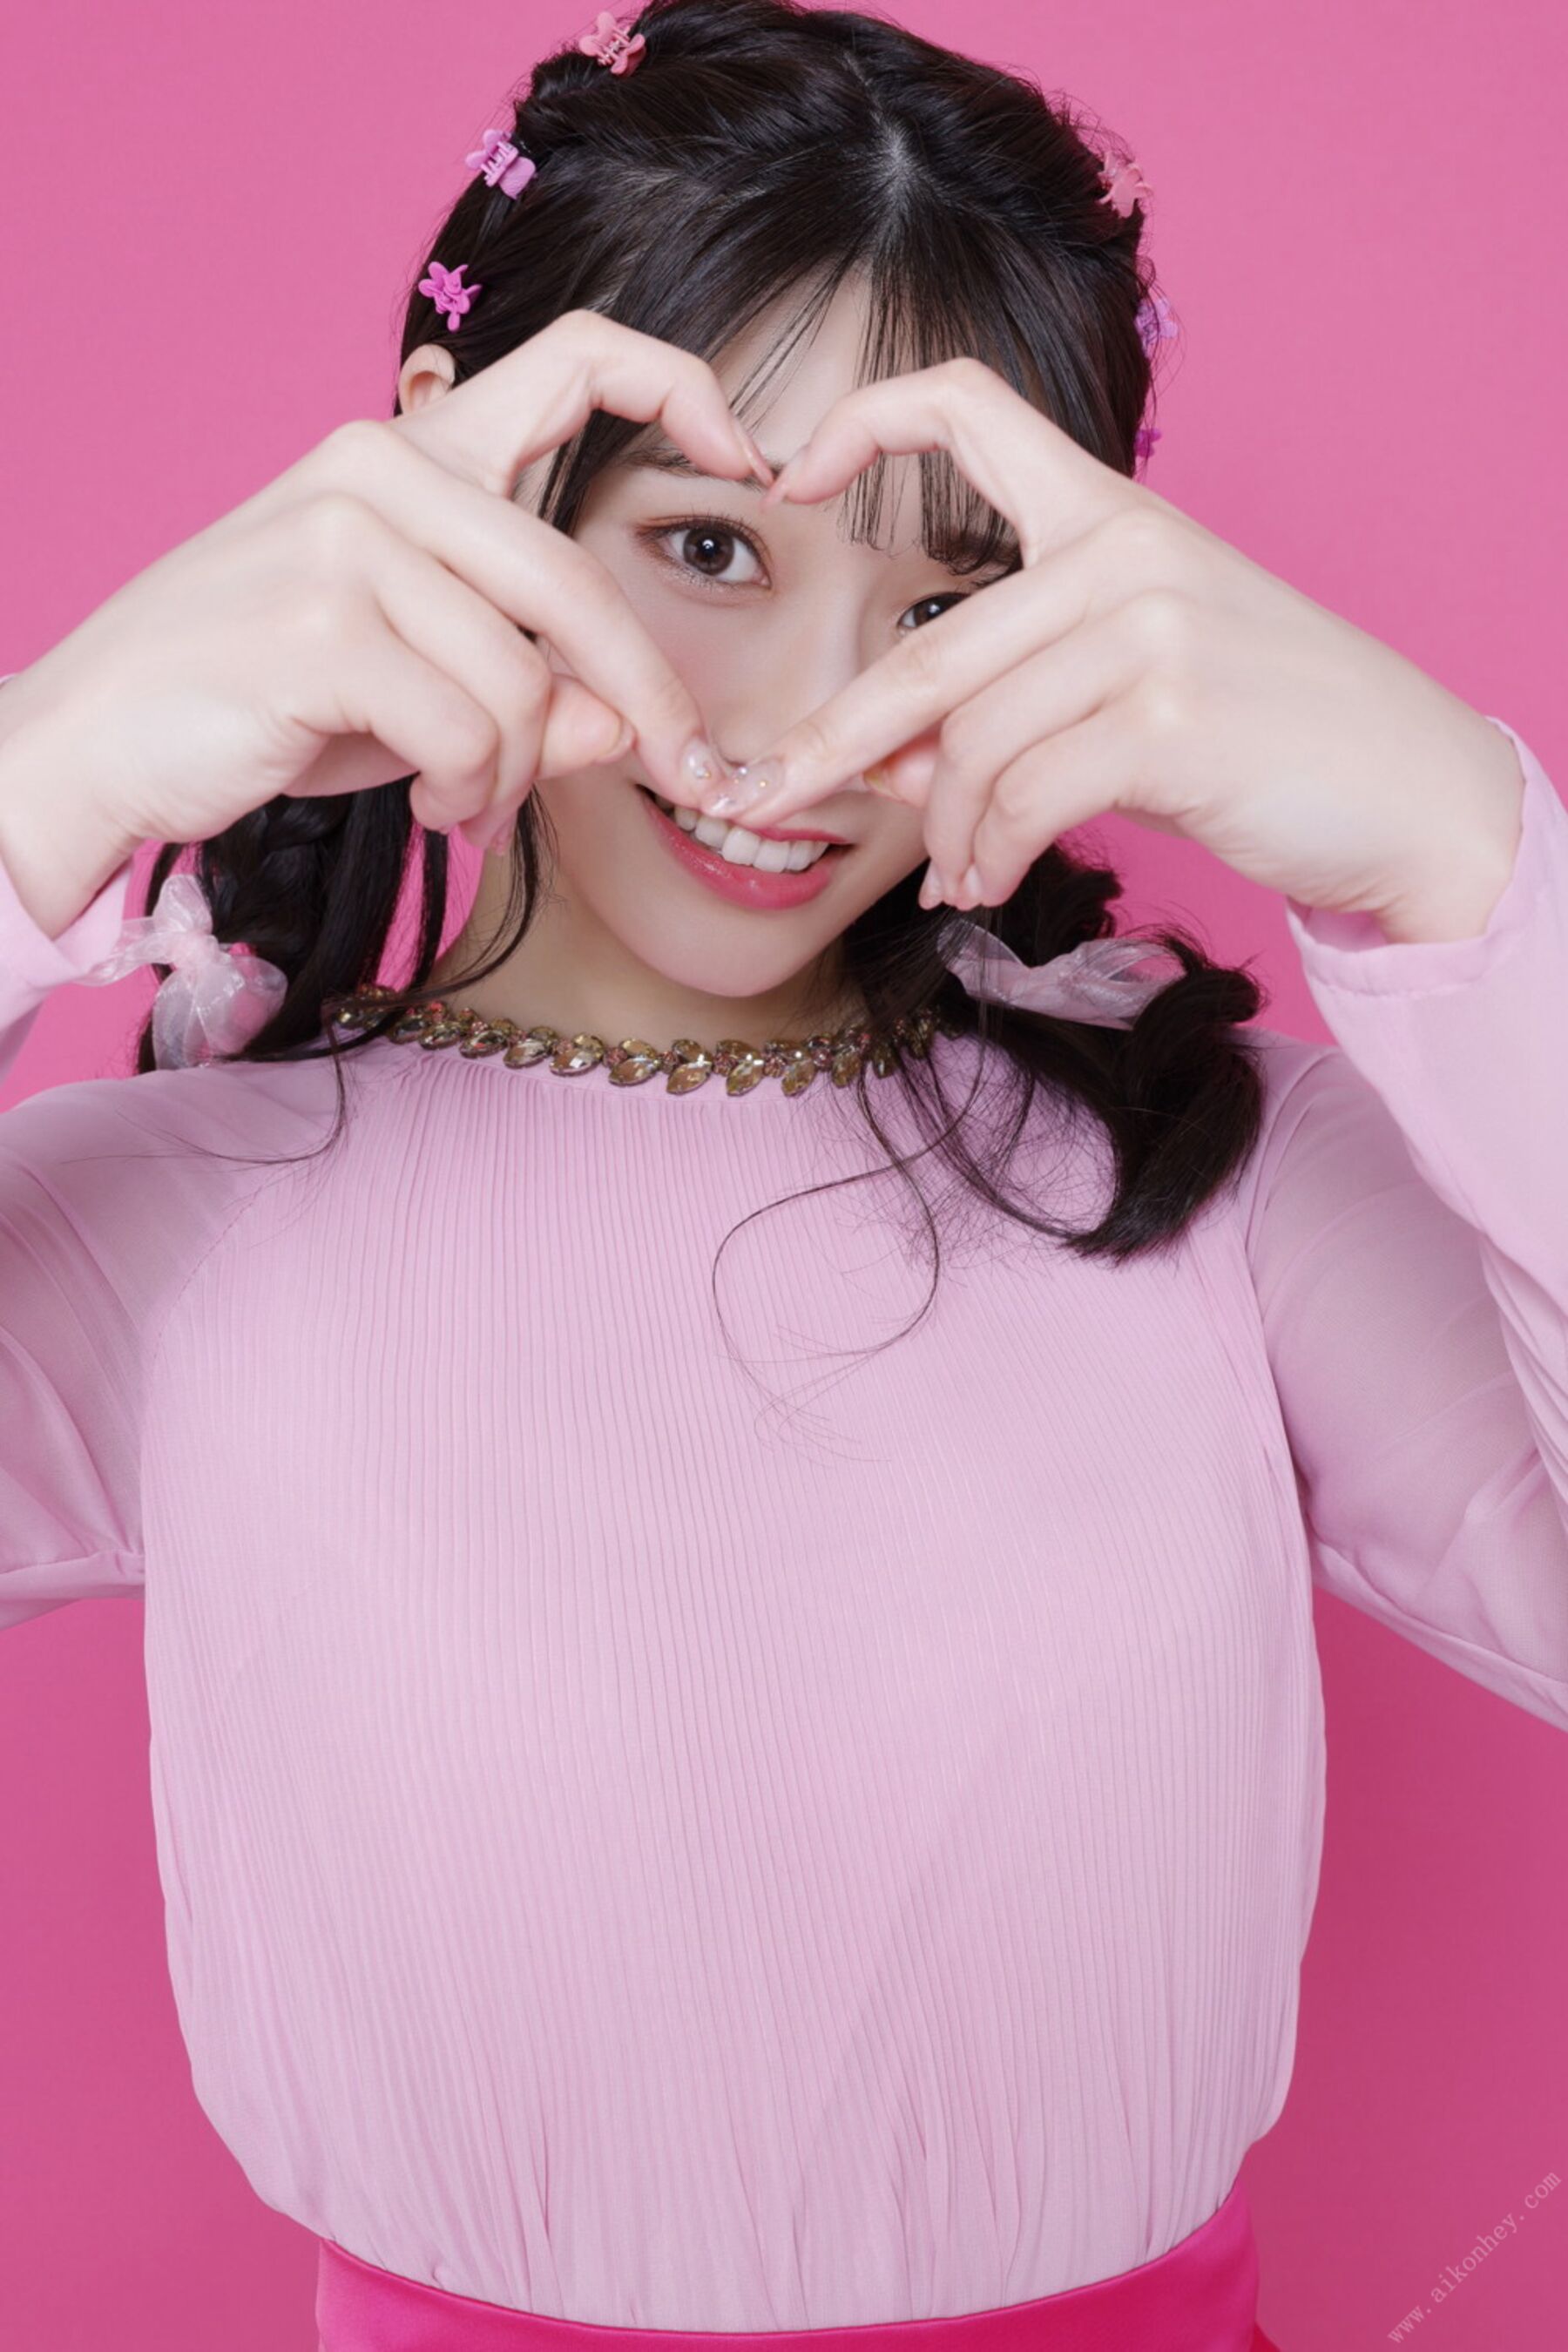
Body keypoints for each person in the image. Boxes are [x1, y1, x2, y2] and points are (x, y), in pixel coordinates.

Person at [1, 3, 1562, 2347]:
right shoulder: (176, 1218)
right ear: (451, 489)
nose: (815, 726)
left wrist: (1468, 857)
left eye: (945, 599)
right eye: (710, 544)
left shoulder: (1222, 1186)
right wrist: (36, 783)